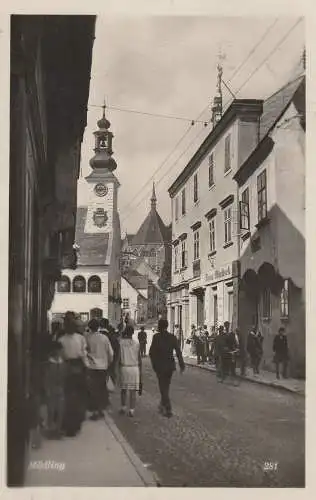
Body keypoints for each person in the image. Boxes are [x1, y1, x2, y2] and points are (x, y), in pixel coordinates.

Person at [58, 311, 88, 437]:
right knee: (75, 398)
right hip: (76, 368)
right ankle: (73, 424)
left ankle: (71, 424)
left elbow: (60, 356)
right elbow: (83, 355)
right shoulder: (79, 338)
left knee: (70, 397)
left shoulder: (62, 339)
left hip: (68, 368)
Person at [149, 318, 185, 418]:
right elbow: (178, 352)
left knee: (162, 387)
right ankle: (162, 405)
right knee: (166, 386)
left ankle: (168, 408)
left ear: (159, 326)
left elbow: (151, 353)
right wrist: (181, 365)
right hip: (169, 367)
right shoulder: (172, 337)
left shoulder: (156, 337)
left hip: (160, 367)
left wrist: (154, 365)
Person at [86, 318, 114, 420]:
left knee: (93, 390)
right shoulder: (104, 338)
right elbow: (111, 353)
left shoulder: (88, 338)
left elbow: (85, 352)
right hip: (103, 367)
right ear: (98, 327)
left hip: (92, 366)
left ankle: (95, 412)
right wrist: (109, 363)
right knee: (102, 389)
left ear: (90, 327)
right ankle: (101, 410)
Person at [118, 325, 142, 417]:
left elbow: (119, 357)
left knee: (123, 389)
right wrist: (141, 371)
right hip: (134, 368)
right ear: (133, 333)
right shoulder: (136, 343)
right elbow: (139, 359)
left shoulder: (121, 343)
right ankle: (131, 409)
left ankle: (123, 406)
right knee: (133, 391)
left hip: (124, 367)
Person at [44, 340, 65, 439]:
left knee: (60, 410)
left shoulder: (61, 361)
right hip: (52, 388)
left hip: (60, 388)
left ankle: (57, 430)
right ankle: (51, 430)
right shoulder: (49, 363)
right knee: (51, 410)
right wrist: (47, 389)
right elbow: (46, 378)